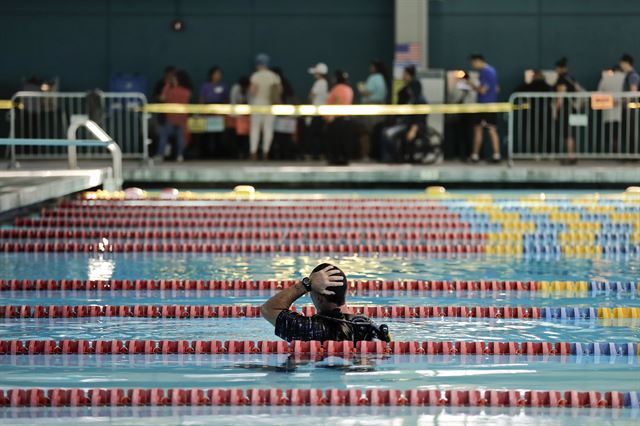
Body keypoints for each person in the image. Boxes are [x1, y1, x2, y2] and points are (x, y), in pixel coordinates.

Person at [261, 263, 391, 342]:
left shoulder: (309, 329)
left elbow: (268, 309)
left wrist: (305, 284)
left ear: (319, 298)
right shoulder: (368, 326)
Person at [380, 65, 438, 163]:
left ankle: (396, 158)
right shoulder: (412, 99)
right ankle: (396, 156)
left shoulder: (420, 100)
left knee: (388, 134)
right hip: (406, 124)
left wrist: (413, 130)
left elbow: (419, 118)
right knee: (386, 131)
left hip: (413, 126)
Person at [468, 54, 501, 163]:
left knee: (485, 129)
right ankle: (481, 155)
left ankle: (478, 155)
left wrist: (470, 84)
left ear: (478, 61)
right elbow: (497, 88)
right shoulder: (491, 71)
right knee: (484, 129)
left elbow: (482, 90)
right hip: (488, 104)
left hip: (485, 105)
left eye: (473, 63)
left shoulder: (486, 72)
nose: (473, 65)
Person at [249, 53, 282, 160]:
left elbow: (252, 91)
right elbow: (280, 91)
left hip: (257, 105)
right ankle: (265, 152)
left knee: (255, 129)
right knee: (268, 130)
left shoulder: (256, 76)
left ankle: (253, 152)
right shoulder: (274, 76)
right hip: (270, 106)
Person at [154, 70, 192, 162]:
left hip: (172, 119)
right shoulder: (187, 91)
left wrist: (167, 86)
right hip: (180, 119)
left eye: (175, 79)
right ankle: (180, 156)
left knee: (165, 137)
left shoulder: (171, 90)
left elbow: (163, 97)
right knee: (180, 138)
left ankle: (160, 155)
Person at [325, 70, 356, 165]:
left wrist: (331, 116)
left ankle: (335, 159)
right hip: (346, 118)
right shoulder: (349, 88)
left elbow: (337, 101)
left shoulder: (338, 88)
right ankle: (344, 159)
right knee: (344, 140)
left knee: (335, 140)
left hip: (337, 118)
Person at [198, 67, 229, 158]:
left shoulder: (223, 86)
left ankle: (218, 154)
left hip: (219, 112)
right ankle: (205, 154)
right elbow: (202, 99)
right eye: (216, 73)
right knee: (207, 134)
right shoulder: (205, 86)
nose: (218, 76)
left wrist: (223, 112)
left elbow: (225, 100)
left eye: (219, 74)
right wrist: (202, 112)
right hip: (207, 111)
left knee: (219, 134)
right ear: (212, 75)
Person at [553, 57, 578, 164]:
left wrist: (556, 109)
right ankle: (572, 154)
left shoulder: (562, 79)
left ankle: (570, 155)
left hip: (565, 109)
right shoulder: (570, 78)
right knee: (570, 133)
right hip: (571, 108)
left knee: (567, 133)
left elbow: (561, 95)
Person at [303, 62, 329, 159]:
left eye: (316, 73)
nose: (314, 74)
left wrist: (310, 99)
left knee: (314, 135)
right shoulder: (326, 83)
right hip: (322, 112)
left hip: (317, 113)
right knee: (319, 135)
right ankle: (319, 154)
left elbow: (311, 96)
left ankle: (315, 154)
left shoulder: (320, 83)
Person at [620, 54, 639, 155]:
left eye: (622, 63)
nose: (621, 66)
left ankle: (633, 154)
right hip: (629, 107)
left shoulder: (632, 76)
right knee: (628, 132)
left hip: (632, 107)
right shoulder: (628, 76)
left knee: (631, 131)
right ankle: (631, 153)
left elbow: (633, 92)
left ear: (626, 63)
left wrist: (622, 102)